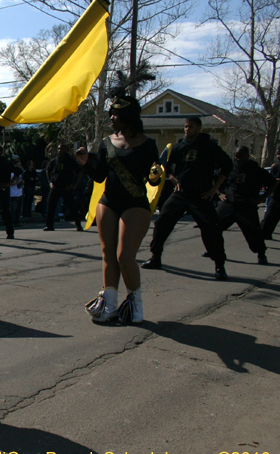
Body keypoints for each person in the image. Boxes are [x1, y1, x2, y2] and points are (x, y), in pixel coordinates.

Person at [77, 92, 161, 324]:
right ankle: (110, 305)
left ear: (128, 116)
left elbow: (153, 180)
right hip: (108, 202)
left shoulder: (148, 145)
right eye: (111, 113)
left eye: (116, 114)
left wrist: (156, 177)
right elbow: (100, 176)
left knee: (125, 256)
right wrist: (86, 164)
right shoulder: (106, 143)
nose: (112, 117)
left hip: (135, 203)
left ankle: (135, 306)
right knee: (108, 254)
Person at [141, 117, 233, 280]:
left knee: (211, 229)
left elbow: (227, 166)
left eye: (190, 127)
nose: (187, 130)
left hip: (201, 195)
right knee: (162, 222)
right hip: (181, 194)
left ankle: (220, 265)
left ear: (199, 128)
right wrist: (174, 179)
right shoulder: (179, 147)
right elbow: (166, 167)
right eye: (185, 127)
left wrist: (214, 188)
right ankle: (156, 257)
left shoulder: (209, 146)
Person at [216, 146, 276, 264]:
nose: (238, 159)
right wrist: (219, 193)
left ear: (247, 156)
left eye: (241, 156)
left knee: (253, 232)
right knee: (213, 225)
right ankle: (214, 250)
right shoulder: (230, 168)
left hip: (246, 205)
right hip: (229, 204)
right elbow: (217, 179)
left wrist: (262, 198)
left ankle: (261, 254)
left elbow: (273, 183)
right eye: (236, 156)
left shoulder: (255, 170)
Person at [44, 144, 84, 231]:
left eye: (62, 148)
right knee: (50, 205)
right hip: (56, 186)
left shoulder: (70, 160)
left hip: (66, 187)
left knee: (72, 207)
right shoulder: (54, 160)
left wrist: (75, 185)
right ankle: (49, 225)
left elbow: (80, 171)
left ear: (66, 149)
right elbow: (48, 169)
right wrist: (50, 182)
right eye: (58, 148)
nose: (60, 150)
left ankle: (78, 225)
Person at [260, 147, 280, 240]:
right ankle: (264, 234)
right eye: (277, 154)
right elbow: (269, 182)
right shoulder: (276, 167)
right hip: (276, 197)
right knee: (269, 217)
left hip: (276, 197)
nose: (278, 156)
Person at [9, 157, 24, 226]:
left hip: (19, 192)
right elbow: (10, 183)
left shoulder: (20, 173)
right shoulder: (12, 174)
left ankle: (17, 222)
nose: (19, 166)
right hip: (13, 193)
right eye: (18, 165)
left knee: (18, 209)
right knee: (13, 209)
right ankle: (12, 222)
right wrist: (17, 182)